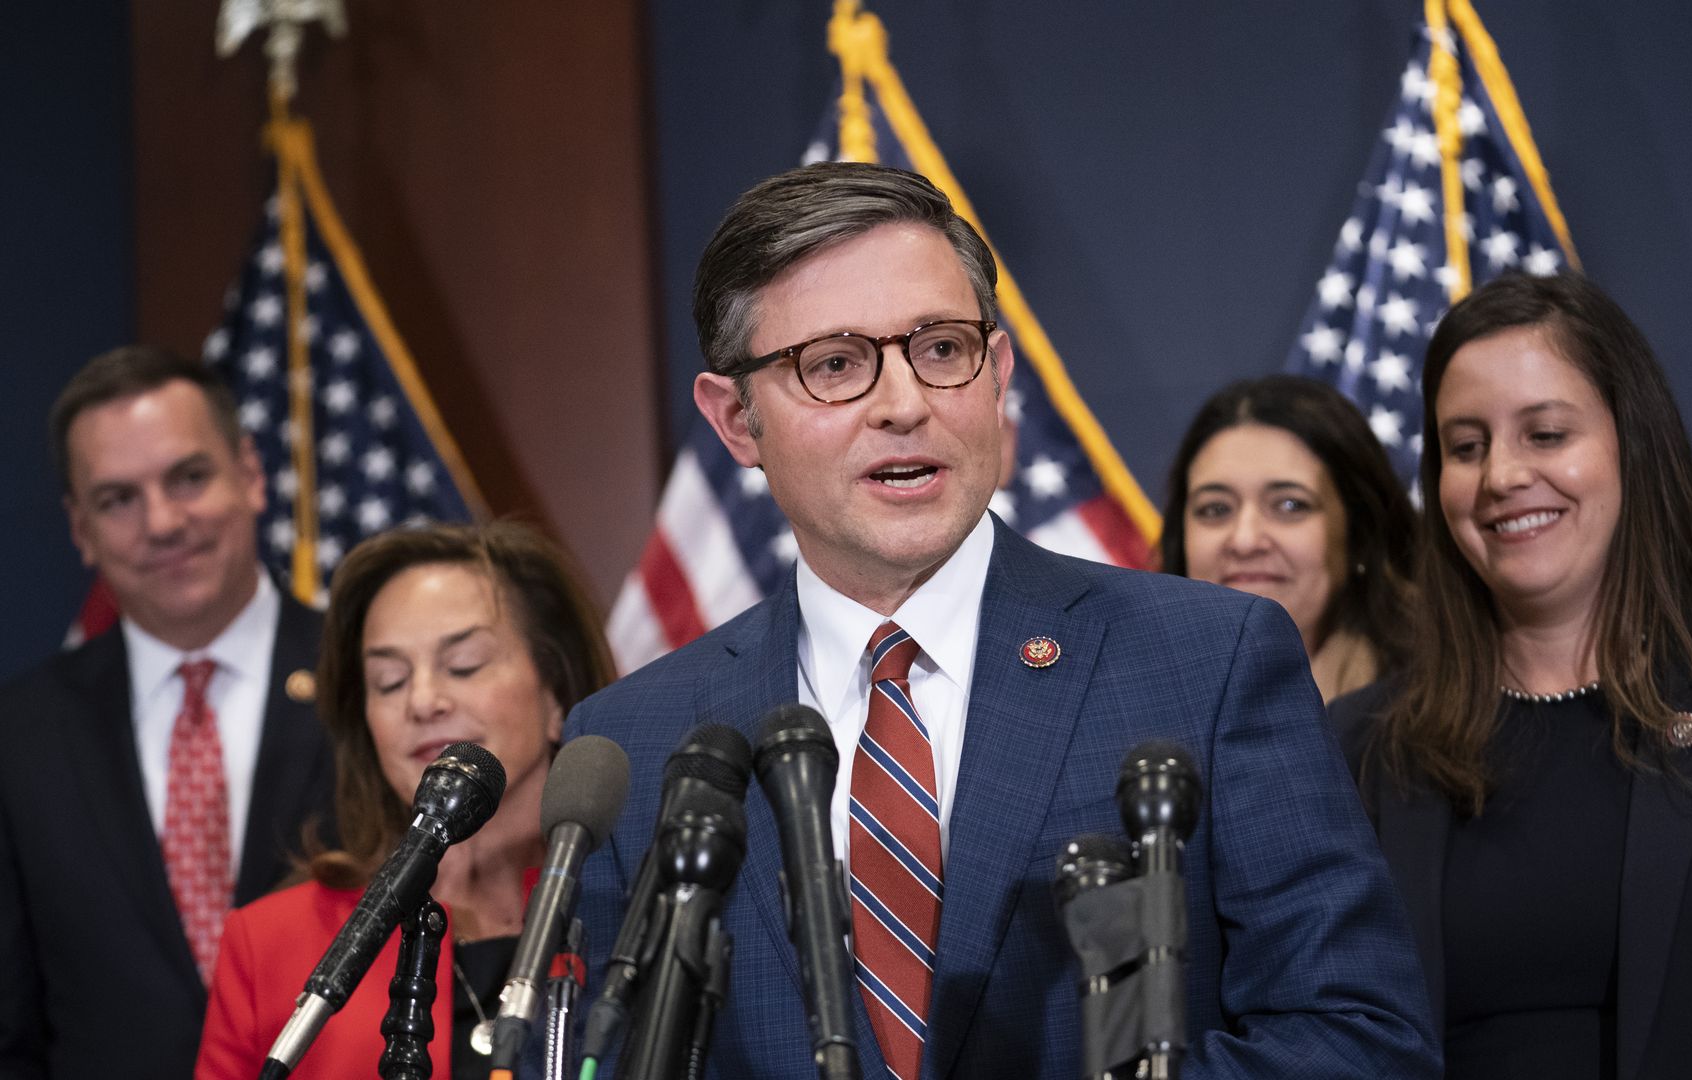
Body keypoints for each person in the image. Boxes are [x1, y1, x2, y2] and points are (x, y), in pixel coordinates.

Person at [568, 162, 1438, 1078]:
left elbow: (1357, 1040)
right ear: (735, 422)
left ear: (998, 374)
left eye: (941, 349)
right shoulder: (635, 743)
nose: (904, 404)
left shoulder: (1206, 663)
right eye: (833, 365)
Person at [1331, 272, 1692, 1076]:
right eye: (1467, 447)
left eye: (1545, 435)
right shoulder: (1360, 747)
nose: (1501, 475)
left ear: (1631, 445)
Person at [0, 345, 334, 1079]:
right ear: (79, 527)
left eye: (188, 478)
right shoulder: (20, 738)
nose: (161, 522)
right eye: (118, 499)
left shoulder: (370, 686)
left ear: (249, 475)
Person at [193, 521, 614, 1078]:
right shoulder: (269, 946)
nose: (422, 700)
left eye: (463, 664)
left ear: (557, 693)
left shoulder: (634, 909)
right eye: (389, 681)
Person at [1160, 375, 1417, 699]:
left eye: (1289, 505)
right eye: (1215, 509)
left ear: (1360, 535)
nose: (1245, 540)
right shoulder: (1118, 707)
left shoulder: (1436, 714)